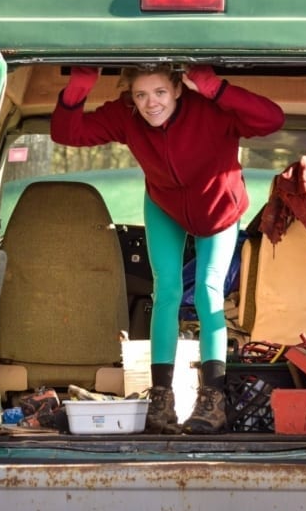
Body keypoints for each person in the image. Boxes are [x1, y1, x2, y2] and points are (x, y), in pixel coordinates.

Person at [51, 64, 284, 434]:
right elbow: (67, 133)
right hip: (164, 205)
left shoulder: (210, 109)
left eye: (159, 92)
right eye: (141, 95)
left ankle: (212, 400)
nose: (151, 103)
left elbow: (272, 119)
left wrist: (215, 88)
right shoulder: (126, 115)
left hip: (219, 208)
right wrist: (80, 86)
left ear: (177, 89)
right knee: (166, 292)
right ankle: (161, 399)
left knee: (208, 291)